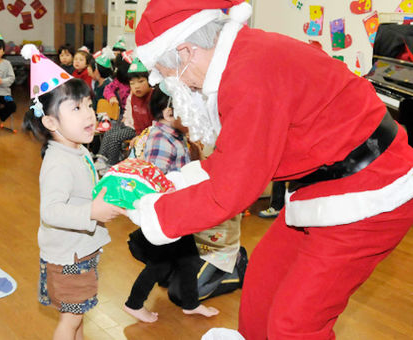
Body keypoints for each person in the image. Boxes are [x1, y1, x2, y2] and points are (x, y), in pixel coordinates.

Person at [128, 1, 413, 339]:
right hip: (321, 186)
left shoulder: (248, 76)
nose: (177, 84)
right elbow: (233, 157)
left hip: (371, 192)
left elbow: (230, 192)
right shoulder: (240, 59)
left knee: (294, 326)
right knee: (262, 286)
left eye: (169, 72)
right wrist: (169, 187)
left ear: (187, 50)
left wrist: (151, 211)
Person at [21, 44, 125, 340]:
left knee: (76, 316)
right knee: (70, 319)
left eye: (89, 105)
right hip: (69, 256)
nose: (89, 114)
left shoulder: (76, 148)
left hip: (79, 249)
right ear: (51, 122)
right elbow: (51, 211)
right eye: (76, 108)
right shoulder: (57, 163)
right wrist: (92, 211)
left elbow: (87, 182)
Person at [124, 83, 219, 323]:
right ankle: (133, 304)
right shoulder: (161, 139)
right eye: (186, 111)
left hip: (180, 211)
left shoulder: (174, 136)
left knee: (189, 259)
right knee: (160, 264)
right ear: (168, 113)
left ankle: (190, 303)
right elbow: (156, 181)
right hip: (167, 213)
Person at [95, 57, 153, 174]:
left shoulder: (152, 96)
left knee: (116, 138)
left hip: (143, 132)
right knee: (110, 132)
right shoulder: (132, 96)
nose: (136, 86)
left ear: (149, 81)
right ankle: (102, 159)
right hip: (130, 125)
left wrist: (140, 136)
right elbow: (128, 111)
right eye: (132, 83)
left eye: (141, 81)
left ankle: (112, 164)